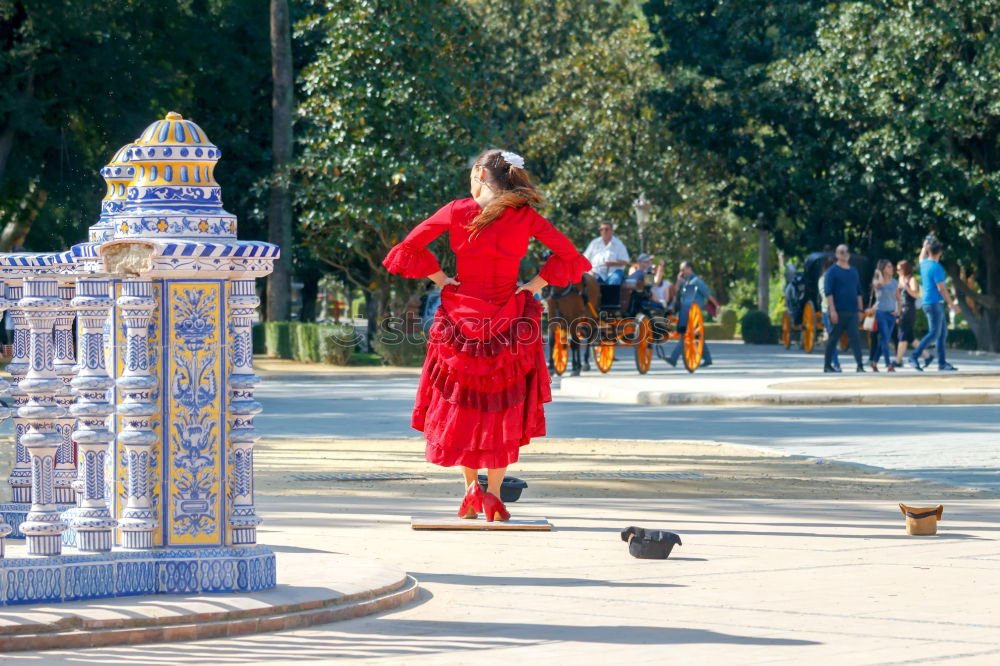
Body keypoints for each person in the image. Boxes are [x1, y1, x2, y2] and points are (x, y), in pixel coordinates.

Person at [382, 149, 590, 522]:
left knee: (461, 403)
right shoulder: (524, 215)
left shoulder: (458, 210)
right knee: (502, 408)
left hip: (461, 319)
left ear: (479, 173)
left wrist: (441, 279)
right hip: (509, 321)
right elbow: (569, 256)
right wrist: (532, 286)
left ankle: (469, 492)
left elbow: (409, 247)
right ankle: (493, 495)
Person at [908, 238, 959, 371]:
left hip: (930, 303)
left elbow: (921, 257)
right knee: (934, 334)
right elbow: (941, 288)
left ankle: (942, 363)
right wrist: (951, 304)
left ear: (929, 251)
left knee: (942, 334)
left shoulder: (924, 264)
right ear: (940, 252)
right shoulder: (937, 267)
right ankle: (914, 356)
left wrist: (925, 246)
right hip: (934, 303)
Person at [666, 261, 720, 368]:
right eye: (680, 270)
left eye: (683, 269)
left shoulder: (696, 281)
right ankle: (708, 358)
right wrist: (678, 280)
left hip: (695, 313)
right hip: (687, 310)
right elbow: (676, 290)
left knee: (685, 334)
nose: (681, 271)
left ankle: (673, 358)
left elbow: (707, 294)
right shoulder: (685, 281)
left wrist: (716, 305)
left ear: (690, 268)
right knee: (696, 336)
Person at [823, 244, 865, 373]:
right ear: (836, 255)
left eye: (847, 251)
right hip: (838, 311)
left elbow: (858, 292)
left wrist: (860, 310)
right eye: (842, 252)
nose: (845, 253)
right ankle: (827, 365)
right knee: (833, 338)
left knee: (855, 338)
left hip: (852, 311)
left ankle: (860, 365)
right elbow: (828, 293)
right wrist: (832, 310)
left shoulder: (853, 271)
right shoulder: (832, 272)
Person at [892, 259, 928, 369]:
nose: (897, 271)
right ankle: (927, 355)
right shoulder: (900, 279)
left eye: (899, 269)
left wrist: (905, 286)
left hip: (908, 311)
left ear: (905, 269)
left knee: (902, 336)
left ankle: (898, 360)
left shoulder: (911, 280)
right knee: (910, 338)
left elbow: (915, 294)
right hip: (902, 311)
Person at [870, 259, 900, 372]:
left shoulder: (894, 282)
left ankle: (874, 362)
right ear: (883, 268)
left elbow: (898, 298)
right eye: (888, 267)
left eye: (891, 266)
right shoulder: (876, 281)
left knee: (884, 339)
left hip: (891, 314)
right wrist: (878, 273)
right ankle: (888, 365)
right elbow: (881, 284)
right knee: (885, 339)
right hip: (880, 312)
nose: (891, 268)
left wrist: (898, 312)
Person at [818, 256, 840, 371]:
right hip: (827, 311)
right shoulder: (823, 279)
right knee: (832, 339)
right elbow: (825, 295)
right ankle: (835, 363)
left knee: (834, 338)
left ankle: (833, 363)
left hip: (839, 311)